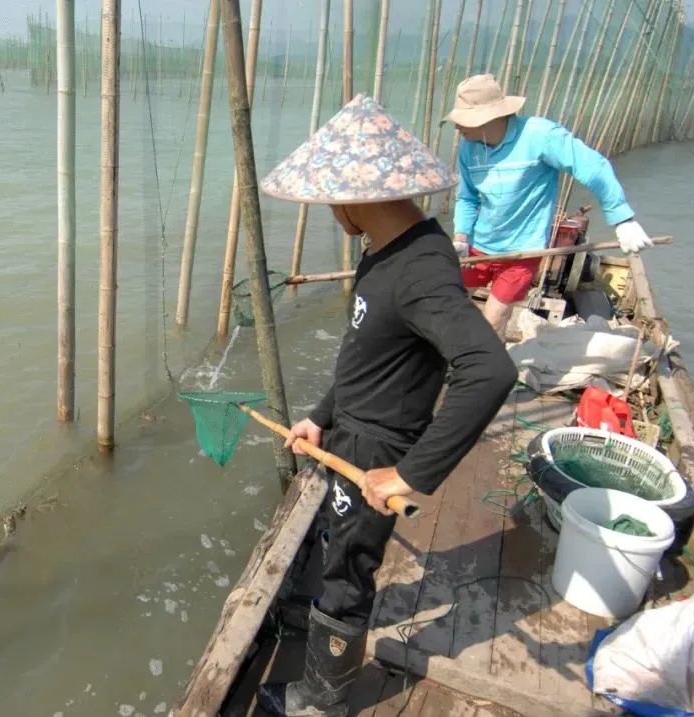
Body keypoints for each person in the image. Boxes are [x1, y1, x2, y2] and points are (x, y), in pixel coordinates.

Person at [255, 94, 517, 717]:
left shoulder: (422, 268)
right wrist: (321, 414)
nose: (332, 214)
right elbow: (362, 350)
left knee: (349, 566)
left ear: (357, 199)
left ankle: (324, 697)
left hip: (378, 447)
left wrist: (410, 472)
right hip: (349, 428)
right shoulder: (385, 247)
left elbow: (489, 369)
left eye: (332, 203)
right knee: (336, 540)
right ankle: (317, 624)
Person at [445, 73, 654, 339]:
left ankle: (484, 373)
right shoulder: (468, 148)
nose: (457, 128)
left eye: (463, 121)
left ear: (488, 118)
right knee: (447, 301)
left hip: (521, 252)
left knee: (494, 317)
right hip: (478, 247)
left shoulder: (540, 136)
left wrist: (622, 219)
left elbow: (592, 167)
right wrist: (461, 237)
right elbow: (468, 197)